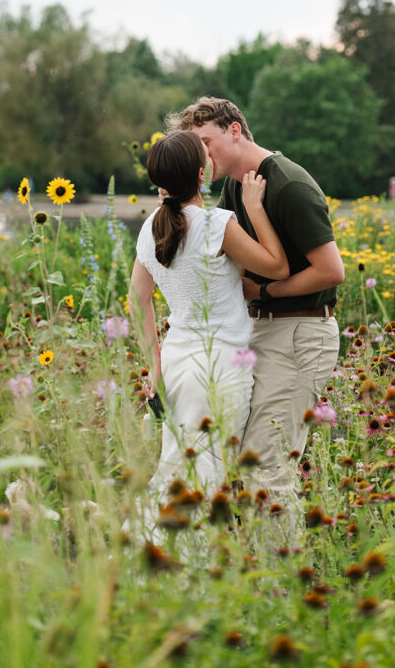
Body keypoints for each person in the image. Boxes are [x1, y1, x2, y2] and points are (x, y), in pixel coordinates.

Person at [170, 97, 344, 499]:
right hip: (258, 331)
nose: (201, 155)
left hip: (301, 332)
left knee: (266, 466)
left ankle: (283, 562)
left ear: (234, 130)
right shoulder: (234, 185)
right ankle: (251, 559)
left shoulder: (288, 184)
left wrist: (264, 290)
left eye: (205, 141)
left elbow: (331, 271)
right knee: (236, 458)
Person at [129, 130, 289, 498]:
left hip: (174, 361)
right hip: (220, 368)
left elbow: (138, 299)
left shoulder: (148, 227)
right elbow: (277, 267)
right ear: (200, 175)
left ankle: (155, 545)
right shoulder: (217, 225)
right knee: (207, 475)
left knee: (176, 466)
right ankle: (184, 550)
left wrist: (154, 364)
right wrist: (255, 209)